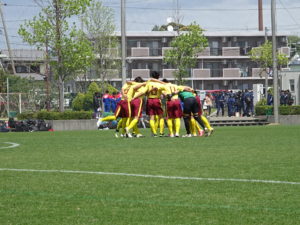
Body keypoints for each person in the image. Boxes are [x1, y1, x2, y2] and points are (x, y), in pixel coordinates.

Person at [145, 71, 167, 137]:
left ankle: (154, 133)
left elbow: (145, 93)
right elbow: (165, 93)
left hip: (149, 100)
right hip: (157, 100)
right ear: (158, 76)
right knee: (161, 117)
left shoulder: (148, 83)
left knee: (151, 117)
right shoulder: (160, 84)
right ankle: (161, 132)